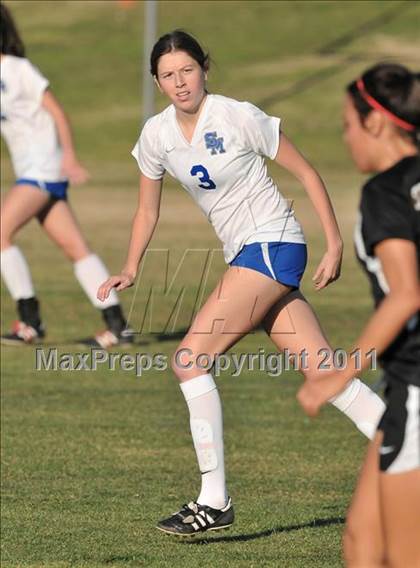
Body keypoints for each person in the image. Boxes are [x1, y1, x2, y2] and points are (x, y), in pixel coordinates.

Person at [98, 30, 386, 536]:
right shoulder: (157, 135)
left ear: (204, 68)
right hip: (250, 255)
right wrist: (132, 265)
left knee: (189, 359)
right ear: (157, 82)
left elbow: (308, 174)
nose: (179, 82)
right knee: (326, 374)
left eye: (187, 70)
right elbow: (147, 208)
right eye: (168, 75)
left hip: (273, 245)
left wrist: (334, 243)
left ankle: (213, 500)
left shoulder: (238, 115)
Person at [298, 63, 420, 567]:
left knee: (404, 553)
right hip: (404, 388)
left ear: (376, 122)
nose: (346, 139)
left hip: (417, 386)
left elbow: (406, 294)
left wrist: (339, 374)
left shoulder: (386, 192)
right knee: (361, 542)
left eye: (348, 125)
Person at [0, 3, 132, 348]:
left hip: (42, 170)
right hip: (36, 173)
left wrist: (69, 157)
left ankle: (30, 322)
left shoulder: (17, 68)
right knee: (76, 249)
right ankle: (117, 325)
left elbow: (57, 113)